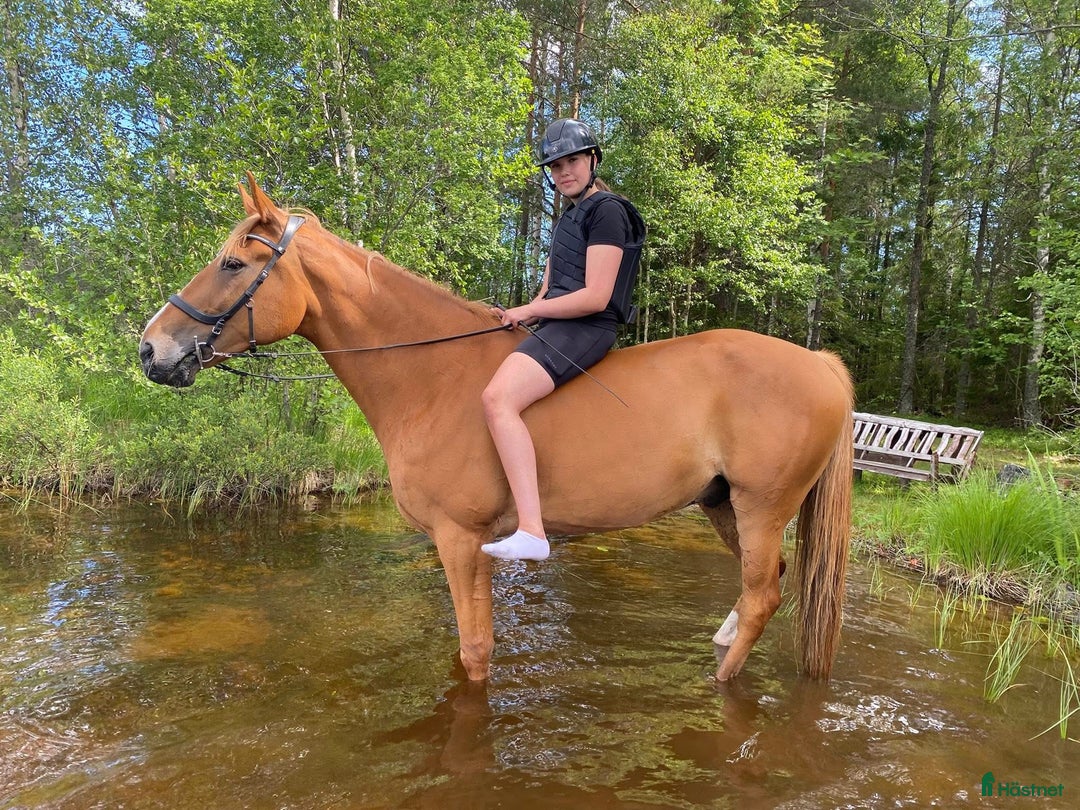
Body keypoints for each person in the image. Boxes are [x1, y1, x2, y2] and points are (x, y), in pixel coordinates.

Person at [480, 118, 646, 561]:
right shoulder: (569, 219)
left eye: (572, 160)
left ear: (592, 160)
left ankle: (532, 530)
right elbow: (550, 290)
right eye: (554, 167)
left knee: (498, 399)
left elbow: (595, 295)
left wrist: (531, 311)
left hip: (588, 327)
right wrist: (520, 313)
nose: (563, 172)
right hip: (559, 324)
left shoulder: (608, 210)